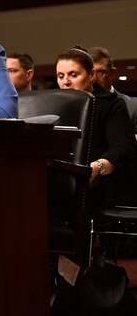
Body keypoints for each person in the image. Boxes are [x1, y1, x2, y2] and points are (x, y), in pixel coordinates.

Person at [56, 46, 137, 212]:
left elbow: (122, 147)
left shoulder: (112, 104)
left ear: (91, 75)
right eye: (60, 76)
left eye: (73, 74)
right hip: (63, 173)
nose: (66, 82)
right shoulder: (55, 105)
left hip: (103, 176)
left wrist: (96, 168)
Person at [89, 46, 137, 137]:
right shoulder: (77, 105)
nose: (94, 78)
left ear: (112, 73)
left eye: (100, 72)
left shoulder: (133, 106)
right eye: (91, 73)